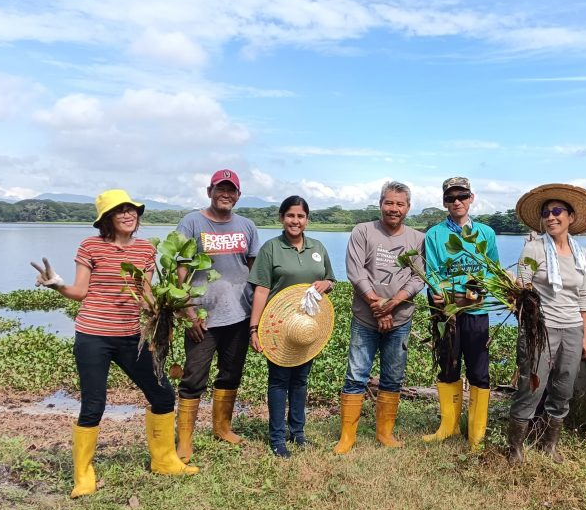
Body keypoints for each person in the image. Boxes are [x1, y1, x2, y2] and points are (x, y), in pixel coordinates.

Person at [31, 189, 197, 498]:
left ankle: (164, 460)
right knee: (94, 404)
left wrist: (167, 310)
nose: (127, 214)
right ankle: (83, 475)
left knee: (162, 394)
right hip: (93, 335)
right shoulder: (91, 246)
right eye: (119, 211)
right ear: (106, 218)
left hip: (132, 337)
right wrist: (58, 285)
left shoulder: (146, 251)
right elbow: (80, 291)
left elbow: (146, 295)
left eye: (131, 210)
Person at [507, 183, 586, 466]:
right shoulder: (532, 250)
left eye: (557, 211)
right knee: (531, 385)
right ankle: (515, 447)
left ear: (570, 217)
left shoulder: (581, 255)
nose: (551, 217)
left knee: (563, 388)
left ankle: (549, 444)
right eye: (546, 213)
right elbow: (520, 290)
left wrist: (585, 337)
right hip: (541, 328)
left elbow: (583, 298)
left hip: (572, 328)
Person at [174, 170, 260, 463]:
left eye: (231, 190)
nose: (226, 194)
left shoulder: (247, 226)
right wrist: (188, 312)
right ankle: (184, 441)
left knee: (230, 373)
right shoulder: (191, 222)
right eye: (220, 189)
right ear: (209, 190)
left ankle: (222, 428)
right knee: (193, 376)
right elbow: (180, 271)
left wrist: (255, 315)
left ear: (238, 194)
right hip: (202, 316)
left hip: (239, 313)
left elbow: (254, 269)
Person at [335, 181, 425, 454]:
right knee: (355, 375)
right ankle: (347, 436)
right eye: (389, 202)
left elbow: (418, 278)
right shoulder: (363, 231)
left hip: (400, 319)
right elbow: (355, 272)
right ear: (380, 204)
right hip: (365, 318)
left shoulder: (417, 239)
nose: (393, 209)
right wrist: (377, 306)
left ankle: (384, 433)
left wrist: (392, 305)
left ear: (408, 208)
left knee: (393, 377)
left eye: (399, 204)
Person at [248, 196, 335, 458]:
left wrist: (326, 284)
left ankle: (297, 433)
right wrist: (254, 328)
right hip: (278, 325)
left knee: (300, 380)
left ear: (307, 220)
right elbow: (261, 290)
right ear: (281, 218)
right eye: (290, 215)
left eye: (300, 216)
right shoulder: (271, 249)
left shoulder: (317, 246)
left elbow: (330, 278)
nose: (295, 221)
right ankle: (277, 438)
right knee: (278, 381)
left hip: (307, 325)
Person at [422, 177, 498, 451]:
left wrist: (474, 289)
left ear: (471, 197)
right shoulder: (434, 235)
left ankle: (476, 433)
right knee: (448, 365)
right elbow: (432, 272)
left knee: (479, 370)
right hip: (447, 313)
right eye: (450, 198)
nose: (456, 202)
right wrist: (441, 295)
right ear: (444, 202)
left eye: (461, 196)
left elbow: (492, 269)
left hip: (477, 310)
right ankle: (448, 426)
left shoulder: (486, 233)